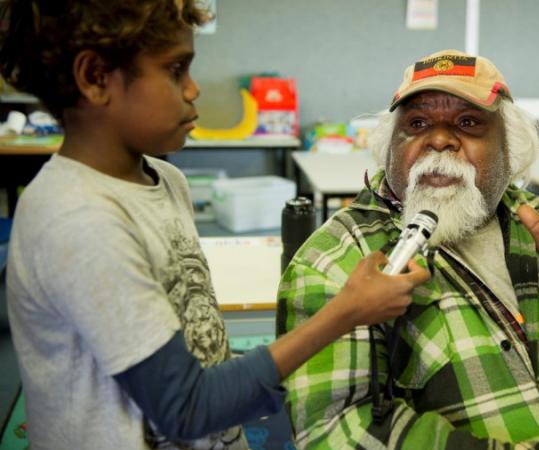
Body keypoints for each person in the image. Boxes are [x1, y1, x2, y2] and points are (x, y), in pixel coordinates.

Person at [0, 2, 429, 449]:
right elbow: (187, 408)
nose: (193, 89)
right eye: (175, 70)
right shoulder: (78, 220)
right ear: (95, 78)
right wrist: (348, 311)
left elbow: (191, 345)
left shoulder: (165, 179)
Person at [277, 49, 539, 449]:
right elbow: (332, 432)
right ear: (389, 148)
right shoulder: (334, 260)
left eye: (468, 123)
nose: (440, 140)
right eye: (417, 124)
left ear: (510, 149)